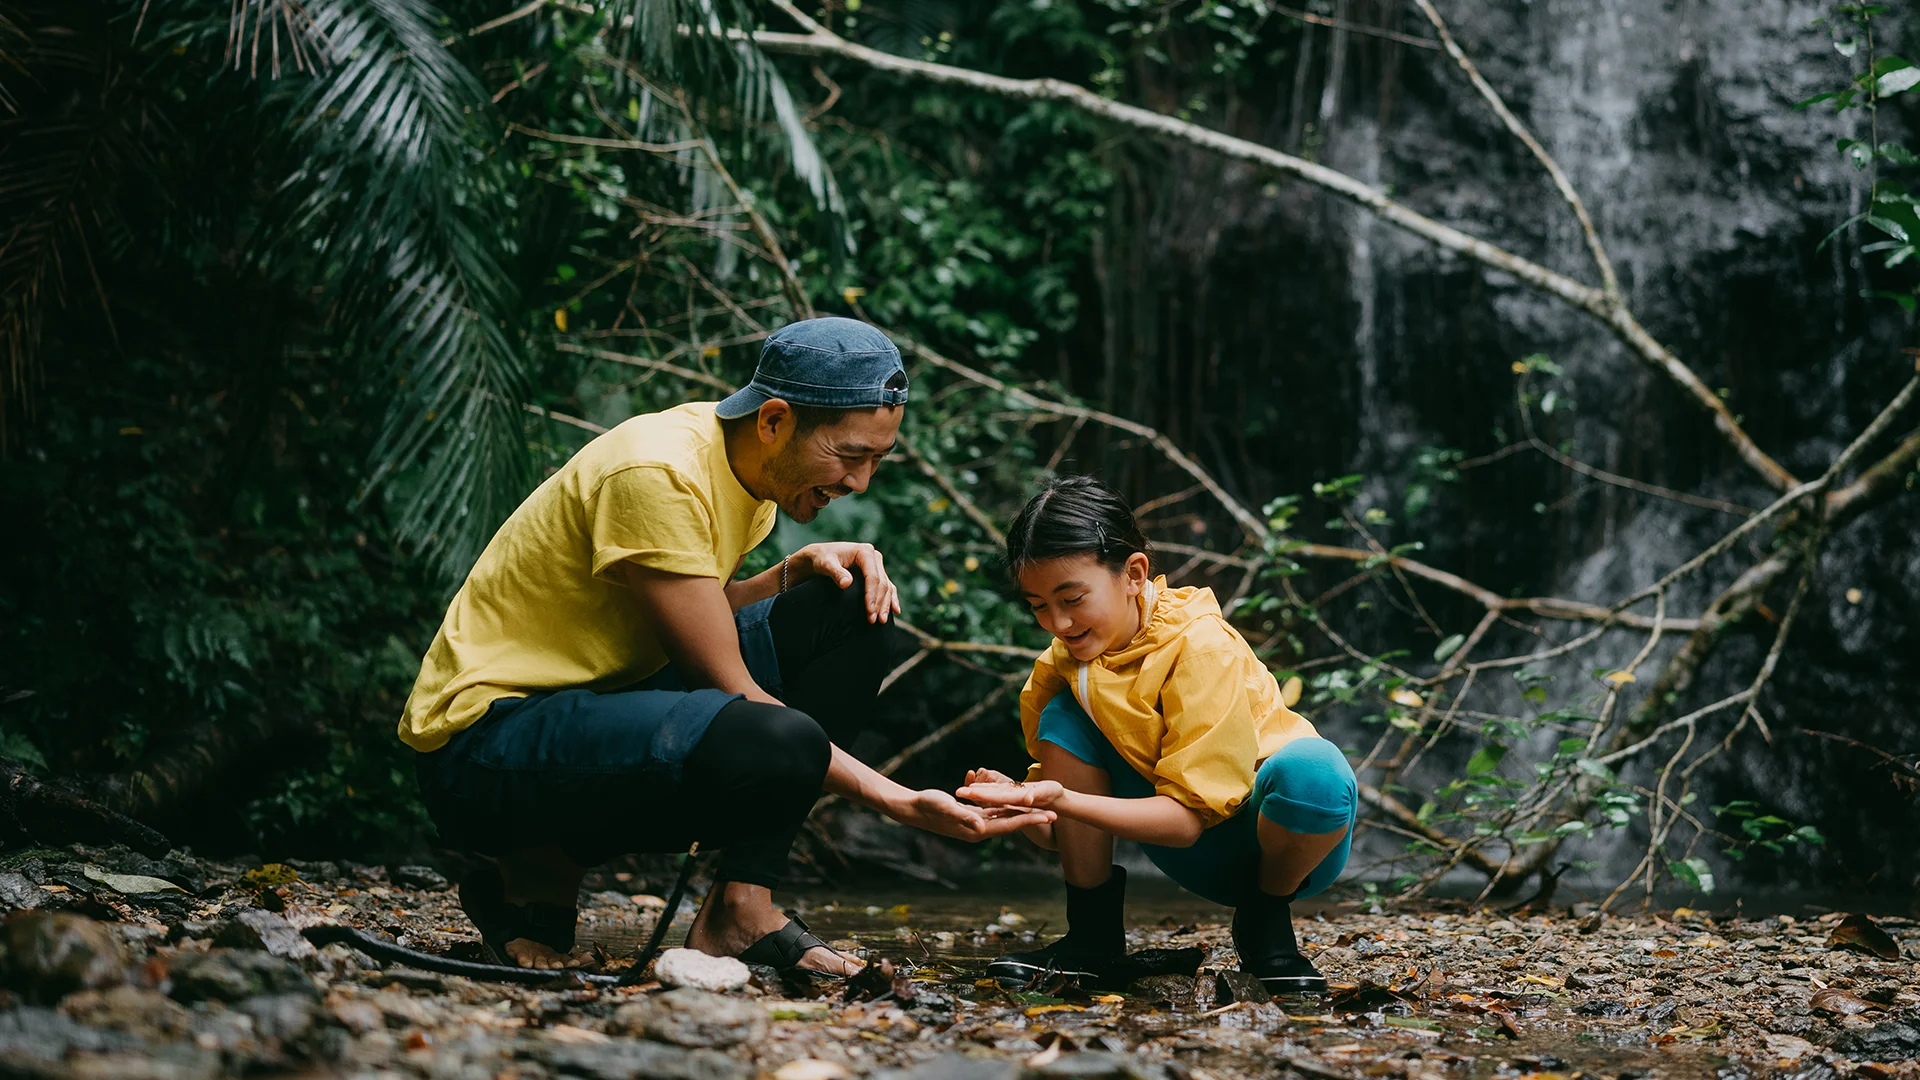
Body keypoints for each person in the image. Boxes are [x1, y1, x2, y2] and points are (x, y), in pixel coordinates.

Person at [400, 317, 1053, 979]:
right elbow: (732, 688)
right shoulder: (658, 472)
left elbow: (682, 614)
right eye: (852, 456)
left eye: (877, 460)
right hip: (485, 750)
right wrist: (899, 801)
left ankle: (740, 908)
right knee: (775, 739)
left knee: (850, 604)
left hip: (593, 710)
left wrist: (791, 572)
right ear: (773, 420)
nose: (860, 483)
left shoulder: (753, 475)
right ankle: (533, 867)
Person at [957, 476, 1357, 993]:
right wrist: (1025, 806)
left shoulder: (1201, 648)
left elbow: (1186, 821)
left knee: (1316, 772)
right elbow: (1062, 831)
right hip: (1182, 850)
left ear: (1134, 573)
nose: (1057, 622)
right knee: (1064, 713)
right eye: (1037, 605)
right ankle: (1092, 939)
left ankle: (1265, 923)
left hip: (1278, 847)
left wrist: (1059, 798)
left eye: (1073, 598)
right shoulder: (1066, 662)